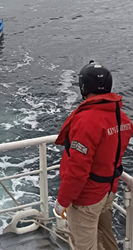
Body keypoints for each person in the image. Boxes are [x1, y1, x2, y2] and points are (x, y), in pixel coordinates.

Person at [54, 61, 133, 250]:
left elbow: (78, 170)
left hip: (87, 197)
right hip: (108, 190)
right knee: (106, 238)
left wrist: (62, 202)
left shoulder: (87, 121)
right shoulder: (122, 118)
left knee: (84, 245)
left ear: (84, 87)